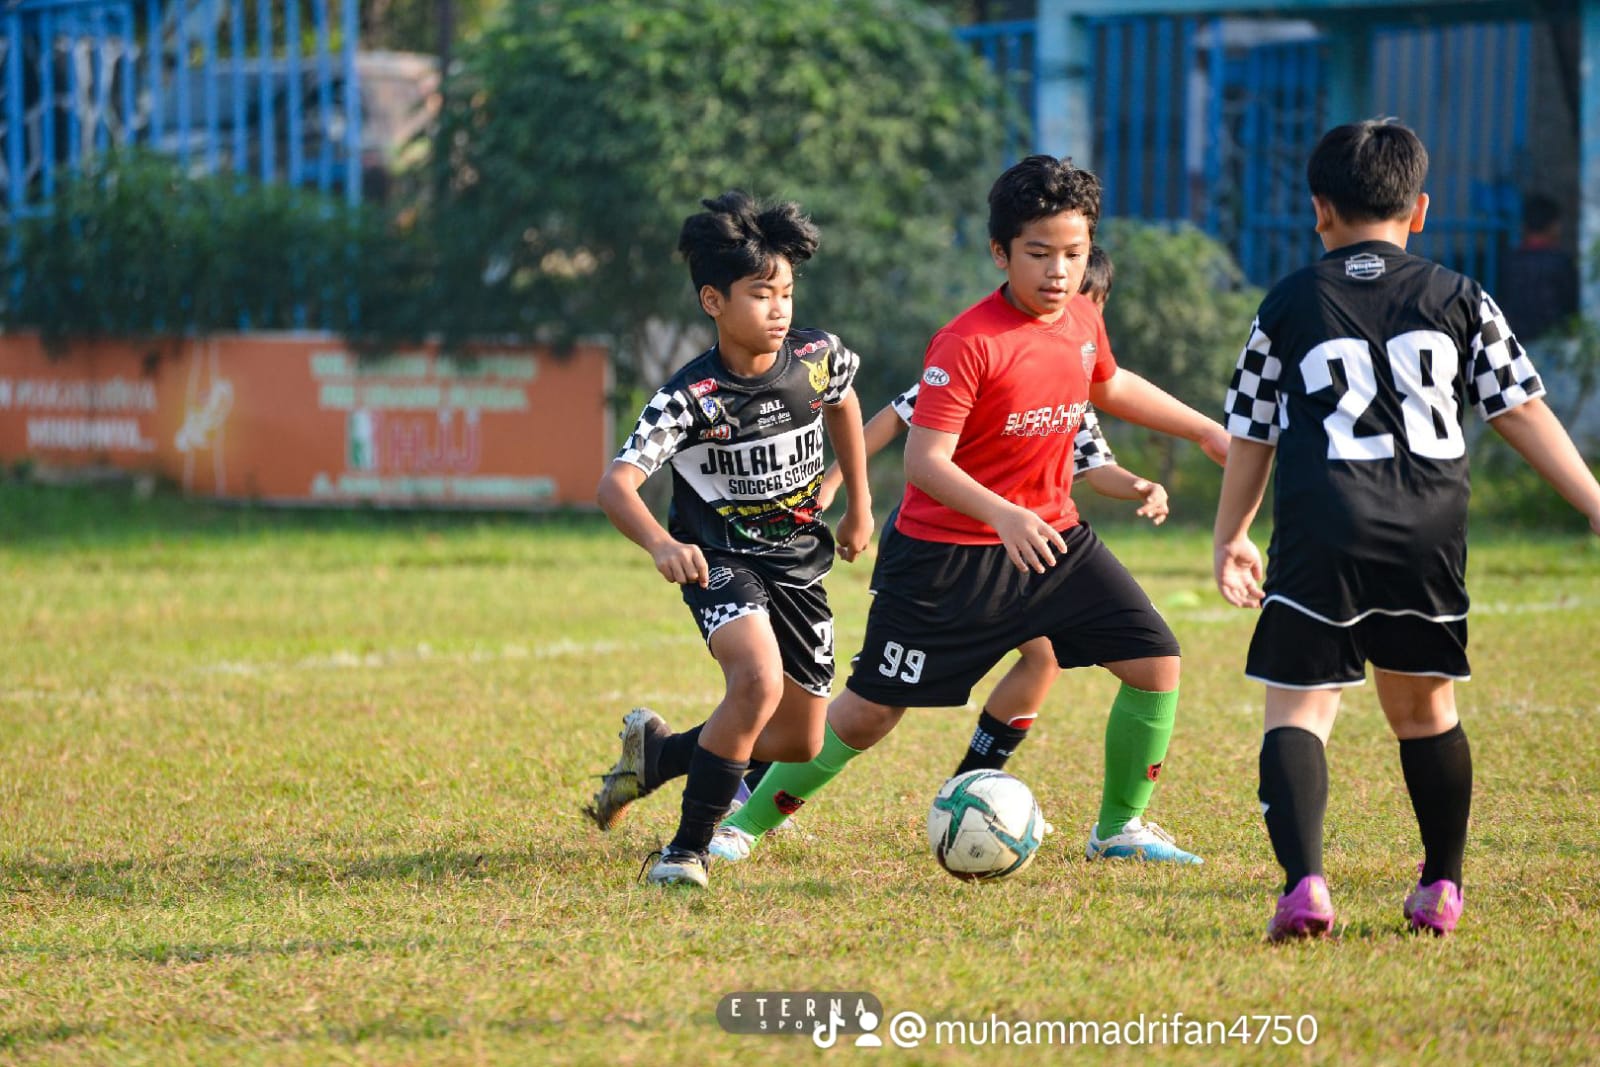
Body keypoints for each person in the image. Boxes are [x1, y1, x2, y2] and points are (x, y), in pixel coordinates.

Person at [713, 155, 1231, 867]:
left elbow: (1107, 382)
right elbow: (926, 462)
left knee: (1155, 660)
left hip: (1052, 541)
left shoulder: (1081, 316)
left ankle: (1119, 829)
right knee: (868, 714)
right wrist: (1005, 514)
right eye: (1039, 253)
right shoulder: (968, 341)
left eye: (1074, 254)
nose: (1059, 271)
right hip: (944, 555)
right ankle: (741, 825)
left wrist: (1202, 428)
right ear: (1001, 253)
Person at [1212, 120, 1600, 940]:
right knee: (1425, 711)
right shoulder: (1460, 295)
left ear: (1320, 210)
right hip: (1429, 526)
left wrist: (1232, 535)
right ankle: (1441, 885)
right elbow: (1522, 410)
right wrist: (1596, 503)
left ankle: (1306, 885)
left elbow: (1252, 432)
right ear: (1418, 209)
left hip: (1324, 525)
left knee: (1299, 711)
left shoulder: (1287, 302)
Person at [585, 191, 874, 888]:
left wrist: (859, 502)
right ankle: (685, 849)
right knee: (755, 682)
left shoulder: (816, 356)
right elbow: (614, 486)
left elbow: (846, 403)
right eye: (760, 294)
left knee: (801, 738)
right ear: (713, 301)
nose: (780, 308)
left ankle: (658, 755)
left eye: (787, 292)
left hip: (800, 564)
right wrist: (661, 543)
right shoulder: (689, 397)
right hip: (721, 562)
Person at [1495, 193, 1578, 344]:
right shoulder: (1560, 262)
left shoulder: (1509, 260)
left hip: (1515, 339)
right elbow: (1570, 305)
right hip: (1553, 341)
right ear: (1554, 226)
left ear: (1524, 225)